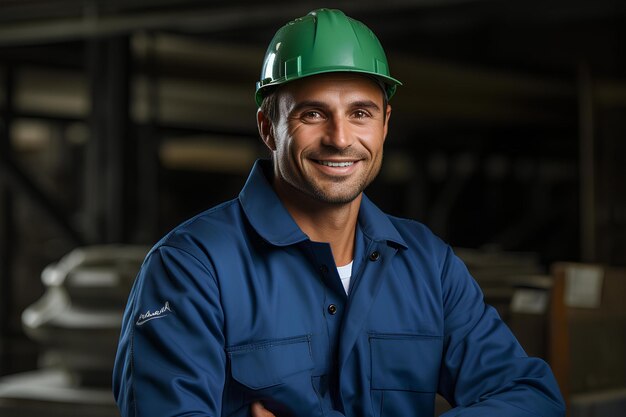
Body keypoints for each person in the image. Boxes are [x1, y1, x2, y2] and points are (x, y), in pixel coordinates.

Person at [113, 8, 566, 417]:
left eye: (361, 113)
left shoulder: (428, 263)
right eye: (313, 114)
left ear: (385, 124)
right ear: (268, 128)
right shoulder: (192, 267)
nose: (340, 138)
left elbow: (530, 397)